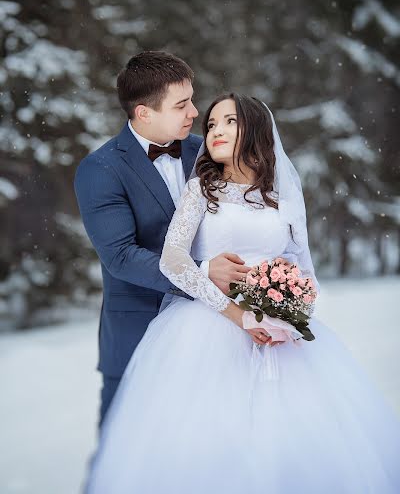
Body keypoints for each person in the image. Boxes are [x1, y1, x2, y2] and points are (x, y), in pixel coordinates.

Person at [85, 93, 400, 493]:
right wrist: (236, 314)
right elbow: (172, 260)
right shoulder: (202, 189)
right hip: (206, 327)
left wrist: (290, 307)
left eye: (227, 122)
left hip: (280, 338)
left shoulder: (283, 195)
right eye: (211, 124)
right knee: (210, 438)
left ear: (253, 128)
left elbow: (305, 269)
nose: (214, 130)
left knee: (292, 437)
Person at [74, 52, 253, 425]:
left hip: (216, 329)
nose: (195, 112)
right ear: (144, 113)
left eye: (192, 99)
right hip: (139, 330)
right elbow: (121, 256)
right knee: (124, 452)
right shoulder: (100, 169)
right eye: (182, 104)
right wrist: (203, 272)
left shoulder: (209, 150)